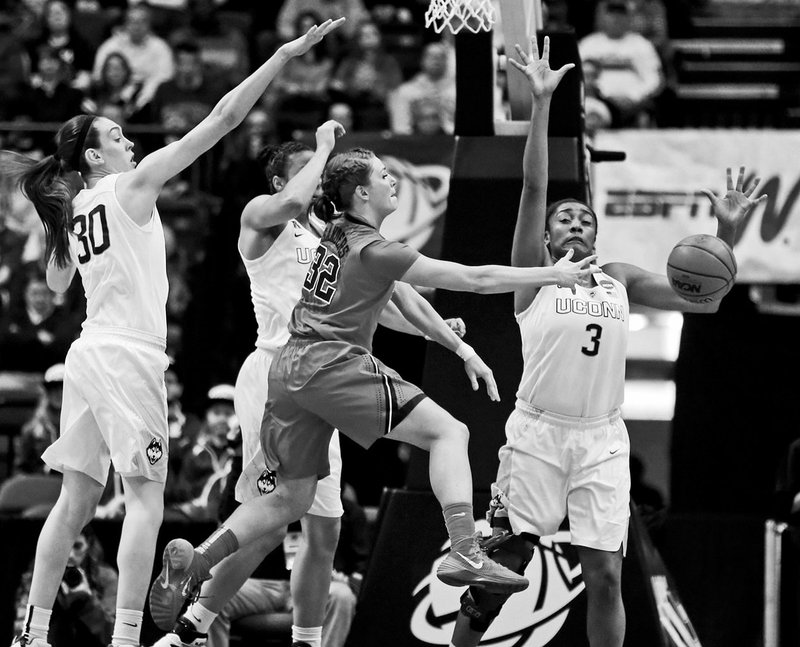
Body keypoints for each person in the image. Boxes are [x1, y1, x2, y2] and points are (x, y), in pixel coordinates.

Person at [147, 141, 602, 633]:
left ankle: (197, 559)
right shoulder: (372, 246)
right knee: (449, 434)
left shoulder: (335, 233)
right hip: (331, 363)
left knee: (291, 501)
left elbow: (395, 303)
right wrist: (551, 273)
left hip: (289, 367)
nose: (392, 181)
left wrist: (454, 342)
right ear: (362, 193)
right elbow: (472, 277)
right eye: (384, 175)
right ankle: (466, 553)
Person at [2, 17, 345, 647]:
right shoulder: (132, 185)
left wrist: (60, 223)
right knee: (144, 502)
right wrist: (282, 55)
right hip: (128, 356)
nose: (129, 141)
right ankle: (129, 637)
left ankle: (34, 631)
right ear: (94, 157)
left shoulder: (72, 210)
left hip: (87, 353)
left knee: (73, 501)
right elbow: (221, 118)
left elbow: (54, 288)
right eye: (116, 136)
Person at [447, 36, 767, 647]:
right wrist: (542, 106)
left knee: (607, 578)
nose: (576, 222)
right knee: (499, 572)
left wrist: (726, 232)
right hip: (538, 433)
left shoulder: (618, 277)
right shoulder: (533, 277)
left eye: (585, 219)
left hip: (602, 438)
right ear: (545, 239)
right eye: (566, 219)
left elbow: (709, 297)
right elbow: (534, 188)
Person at [14, 525, 118, 647]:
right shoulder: (36, 577)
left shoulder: (105, 576)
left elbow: (113, 637)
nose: (70, 555)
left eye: (77, 546)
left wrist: (88, 604)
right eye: (63, 547)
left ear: (88, 545)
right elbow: (22, 631)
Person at [14, 363, 65, 475]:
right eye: (53, 388)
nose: (58, 393)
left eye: (63, 388)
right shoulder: (31, 430)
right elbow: (21, 469)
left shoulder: (82, 428)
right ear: (46, 393)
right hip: (42, 487)